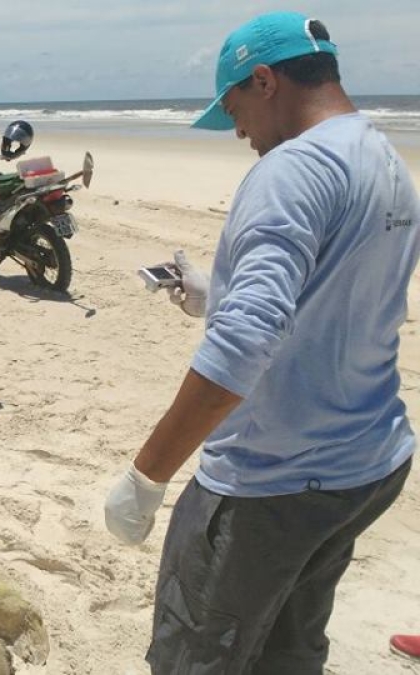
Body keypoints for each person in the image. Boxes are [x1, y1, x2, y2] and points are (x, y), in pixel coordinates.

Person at [102, 11, 419, 674]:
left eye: (234, 107)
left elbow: (243, 346)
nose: (238, 130)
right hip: (367, 462)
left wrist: (147, 474)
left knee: (195, 654)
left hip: (273, 481)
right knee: (289, 646)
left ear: (266, 80)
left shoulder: (290, 173)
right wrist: (213, 293)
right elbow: (339, 301)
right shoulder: (384, 161)